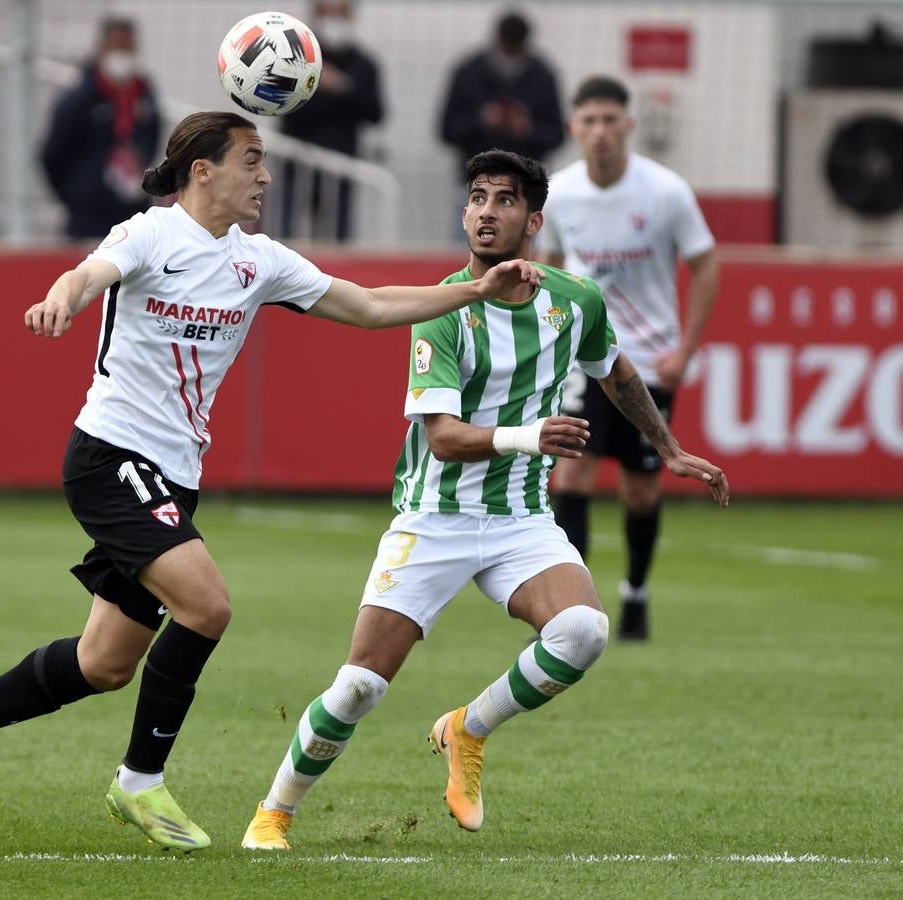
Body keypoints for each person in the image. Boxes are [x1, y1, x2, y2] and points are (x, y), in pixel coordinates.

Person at [0, 112, 543, 854]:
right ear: (202, 171)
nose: (265, 176)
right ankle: (139, 782)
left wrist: (474, 292)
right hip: (112, 457)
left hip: (174, 477)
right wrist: (63, 298)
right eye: (251, 161)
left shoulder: (259, 260)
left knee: (103, 664)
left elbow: (367, 307)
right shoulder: (150, 234)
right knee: (207, 607)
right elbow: (88, 274)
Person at [240, 150, 729, 850]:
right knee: (358, 688)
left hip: (519, 522)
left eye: (504, 200)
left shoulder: (574, 300)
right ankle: (274, 812)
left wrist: (669, 444)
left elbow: (614, 370)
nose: (485, 211)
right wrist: (532, 436)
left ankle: (468, 727)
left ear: (534, 220)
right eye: (476, 197)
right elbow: (442, 439)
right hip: (433, 519)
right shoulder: (443, 311)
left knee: (584, 632)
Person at [536, 75, 720, 641]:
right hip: (582, 360)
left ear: (628, 126)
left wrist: (685, 348)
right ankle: (570, 612)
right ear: (574, 127)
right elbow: (548, 269)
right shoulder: (561, 192)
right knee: (572, 472)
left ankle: (636, 594)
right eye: (588, 121)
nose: (600, 132)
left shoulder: (665, 191)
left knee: (641, 488)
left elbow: (706, 263)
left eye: (610, 120)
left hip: (645, 363)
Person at [40, 17, 162, 239]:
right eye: (116, 47)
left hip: (132, 211)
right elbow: (52, 154)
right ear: (101, 49)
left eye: (127, 48)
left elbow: (152, 138)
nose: (122, 55)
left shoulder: (143, 94)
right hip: (89, 218)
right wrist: (78, 196)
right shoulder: (79, 98)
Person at [279, 0, 384, 241]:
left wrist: (343, 88)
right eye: (328, 13)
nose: (334, 21)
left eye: (340, 14)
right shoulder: (296, 60)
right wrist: (315, 86)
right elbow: (285, 107)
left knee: (338, 230)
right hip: (297, 158)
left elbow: (375, 112)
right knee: (287, 226)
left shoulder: (364, 64)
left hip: (343, 163)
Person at [438, 11, 565, 180]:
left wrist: (527, 129)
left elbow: (557, 136)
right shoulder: (468, 72)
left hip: (525, 185)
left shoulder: (543, 76)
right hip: (477, 182)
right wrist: (481, 121)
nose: (510, 56)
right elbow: (447, 131)